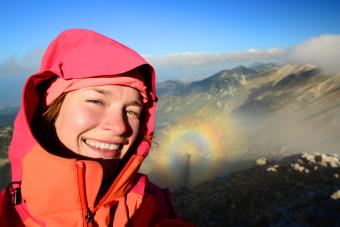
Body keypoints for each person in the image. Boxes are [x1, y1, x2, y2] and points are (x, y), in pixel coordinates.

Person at [0, 29, 194, 226]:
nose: (120, 127)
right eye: (96, 101)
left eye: (132, 112)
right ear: (51, 111)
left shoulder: (151, 206)